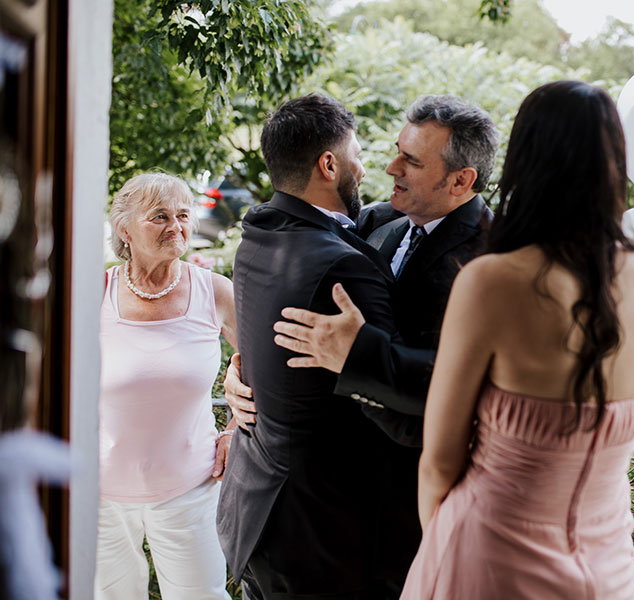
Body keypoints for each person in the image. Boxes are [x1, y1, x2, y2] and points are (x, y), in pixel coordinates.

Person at [400, 81, 634, 599]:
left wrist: (442, 558)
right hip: (608, 563)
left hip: (491, 560)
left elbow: (438, 461)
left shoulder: (492, 282)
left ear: (526, 161)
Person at [223, 95, 499, 596]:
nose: (389, 167)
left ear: (462, 180)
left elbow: (481, 391)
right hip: (332, 523)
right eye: (397, 150)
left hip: (406, 520)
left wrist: (358, 362)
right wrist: (252, 375)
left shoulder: (493, 262)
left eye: (411, 161)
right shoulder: (381, 224)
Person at [216, 94, 413, 600]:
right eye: (356, 153)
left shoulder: (260, 236)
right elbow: (386, 387)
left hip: (257, 508)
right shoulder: (342, 265)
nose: (365, 167)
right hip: (318, 532)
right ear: (329, 164)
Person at [96, 172, 237, 600]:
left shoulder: (212, 291)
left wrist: (236, 429)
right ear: (125, 228)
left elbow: (263, 363)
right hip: (100, 494)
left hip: (191, 486)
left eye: (182, 215)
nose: (175, 226)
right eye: (159, 216)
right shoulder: (94, 292)